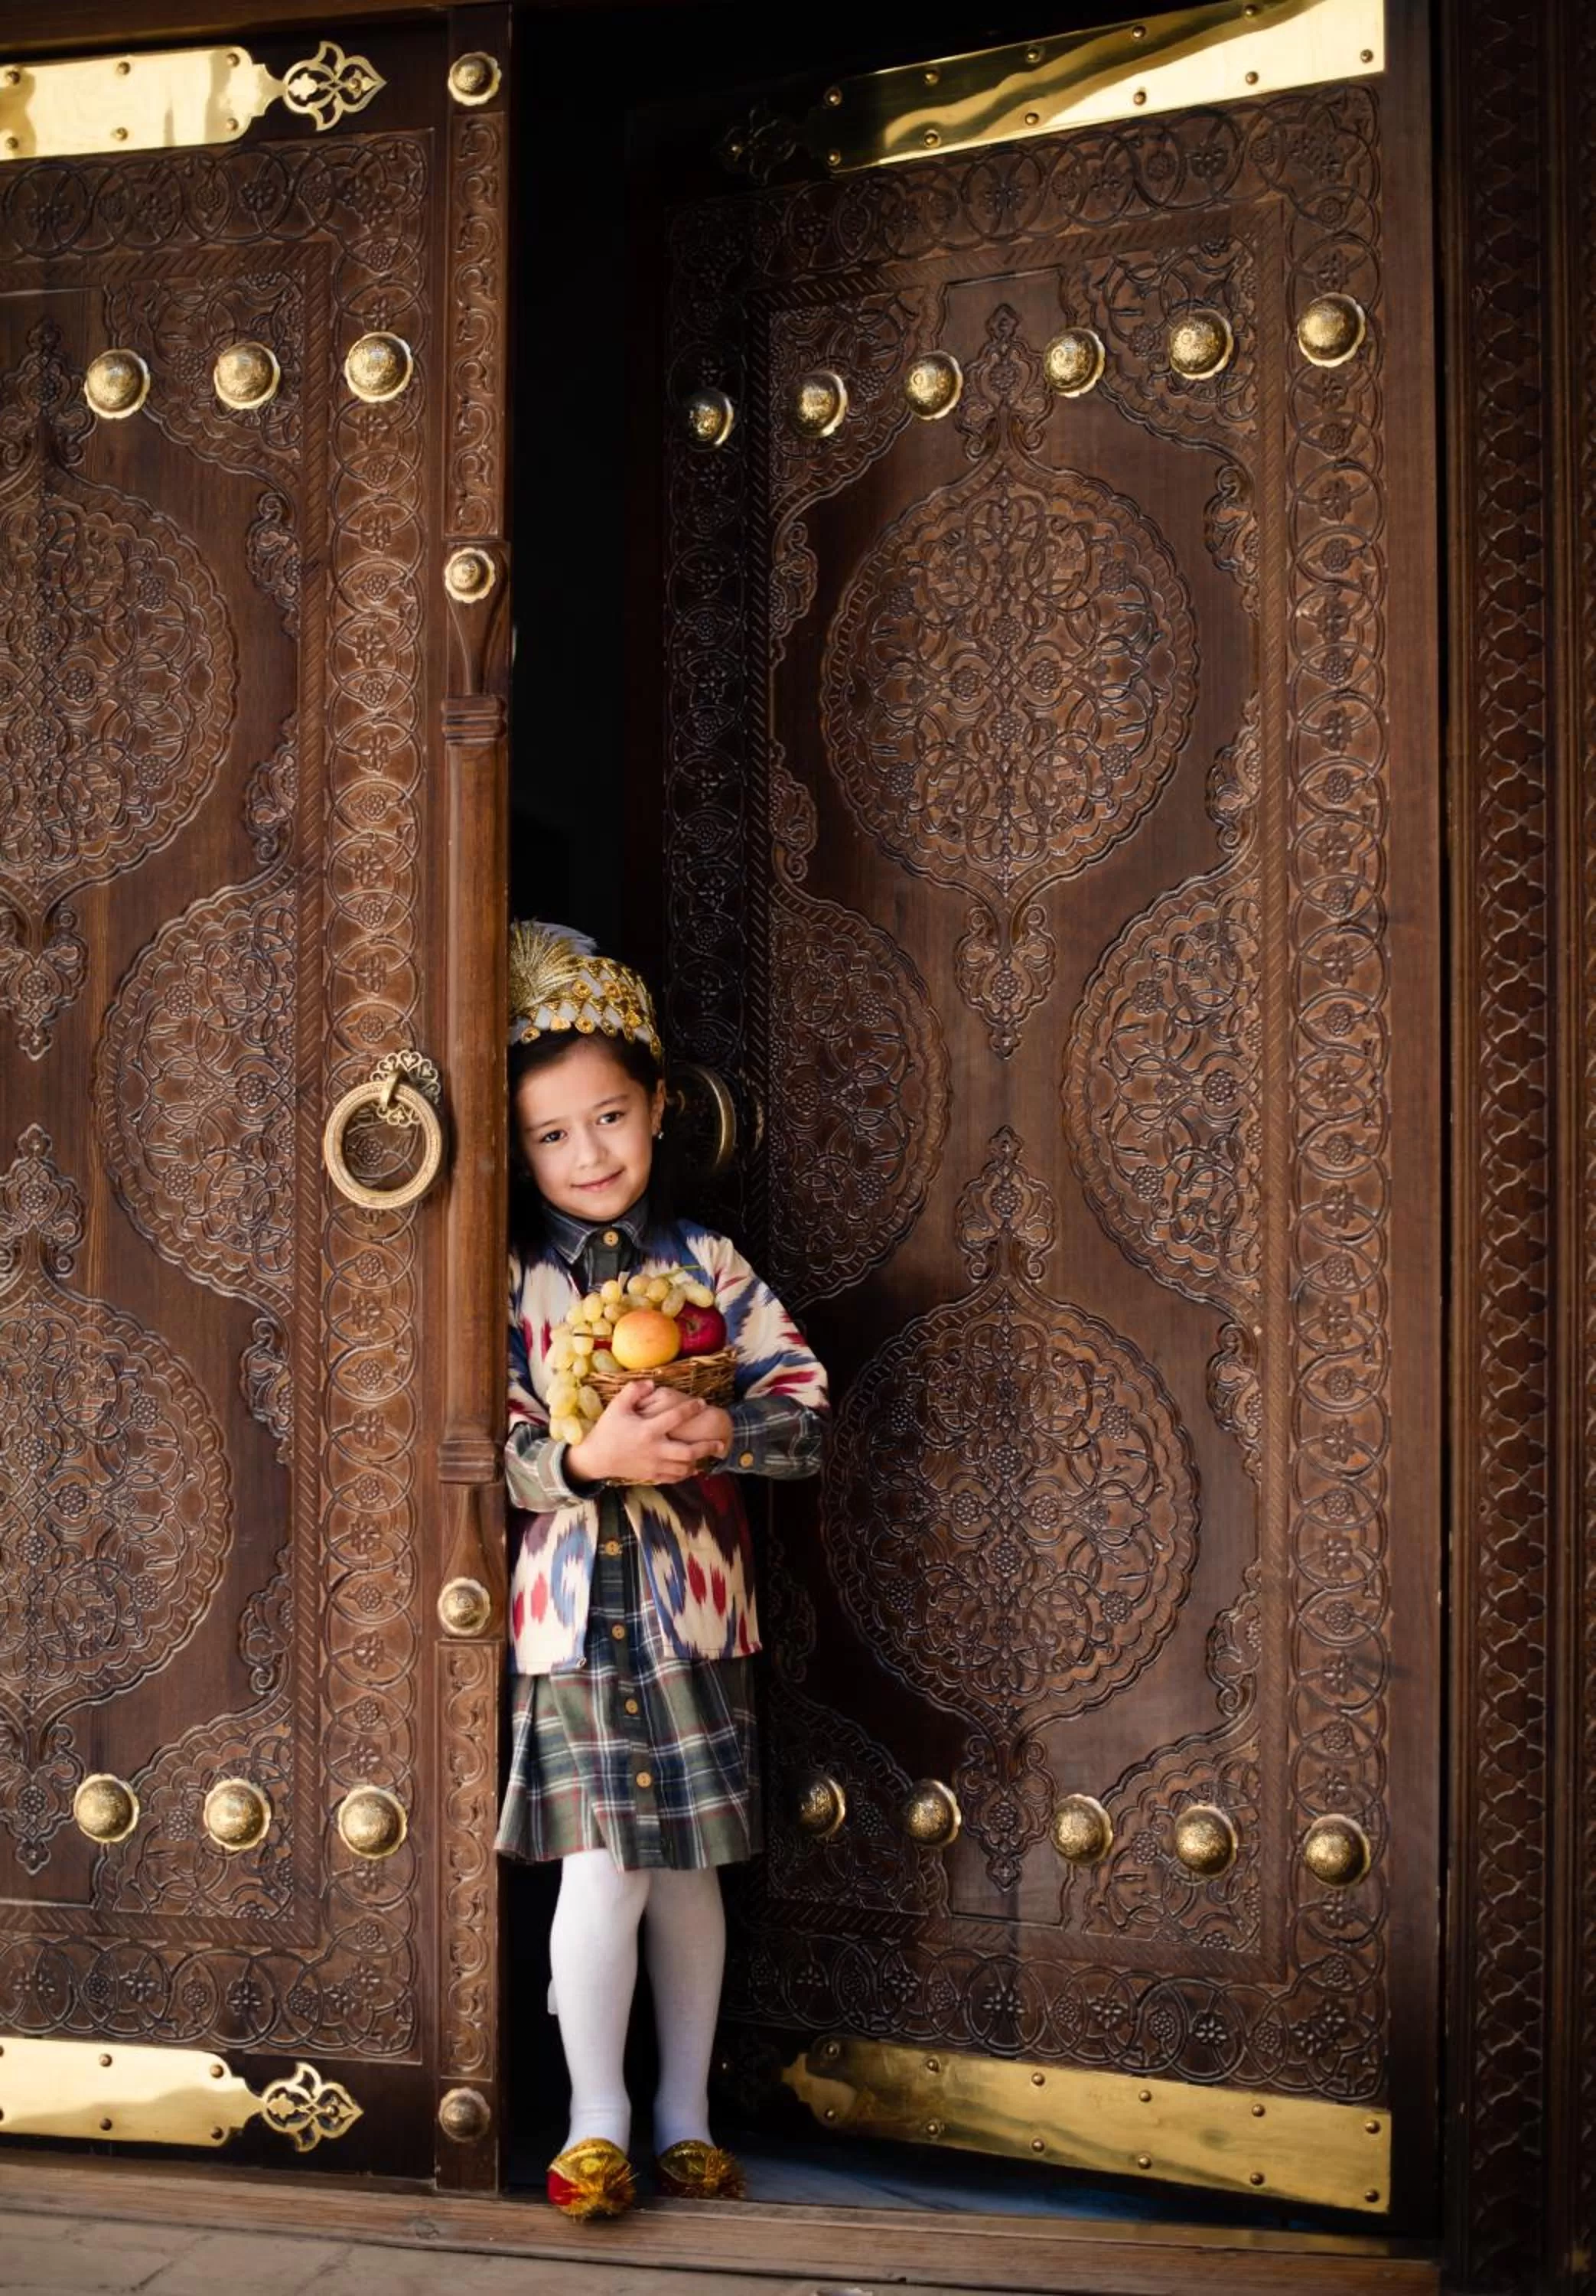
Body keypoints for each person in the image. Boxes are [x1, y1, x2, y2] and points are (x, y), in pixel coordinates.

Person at [495, 921, 829, 2221]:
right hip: (578, 1623)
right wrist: (585, 1462)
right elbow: (495, 1448)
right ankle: (597, 2124)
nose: (590, 1155)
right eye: (555, 1135)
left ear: (656, 1111)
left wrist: (723, 1432)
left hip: (694, 1621)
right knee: (603, 1868)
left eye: (612, 1117)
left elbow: (803, 1405)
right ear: (525, 1153)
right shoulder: (511, 1284)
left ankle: (687, 2115)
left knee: (690, 1869)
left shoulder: (712, 1270)